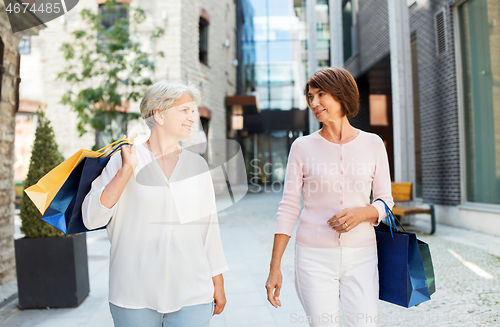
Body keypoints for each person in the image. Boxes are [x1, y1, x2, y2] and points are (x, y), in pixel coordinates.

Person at [82, 80, 228, 327]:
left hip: (192, 292)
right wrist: (126, 170)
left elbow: (208, 229)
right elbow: (91, 217)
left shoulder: (197, 165)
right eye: (184, 110)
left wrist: (218, 281)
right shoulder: (125, 158)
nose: (192, 117)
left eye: (193, 111)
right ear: (159, 115)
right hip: (133, 293)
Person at [265, 67, 394, 327]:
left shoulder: (373, 144)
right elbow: (289, 207)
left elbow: (385, 201)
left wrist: (363, 213)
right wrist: (275, 266)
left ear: (341, 95)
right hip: (313, 257)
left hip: (362, 255)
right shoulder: (301, 147)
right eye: (310, 96)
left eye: (321, 94)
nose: (314, 102)